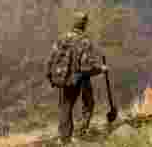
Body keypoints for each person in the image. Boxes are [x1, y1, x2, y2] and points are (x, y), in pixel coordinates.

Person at [45, 11, 108, 144]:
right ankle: (81, 132)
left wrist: (50, 76)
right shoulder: (84, 41)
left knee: (65, 107)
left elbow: (51, 59)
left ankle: (65, 139)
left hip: (63, 79)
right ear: (84, 24)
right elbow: (87, 67)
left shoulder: (62, 38)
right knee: (89, 103)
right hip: (79, 79)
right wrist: (101, 69)